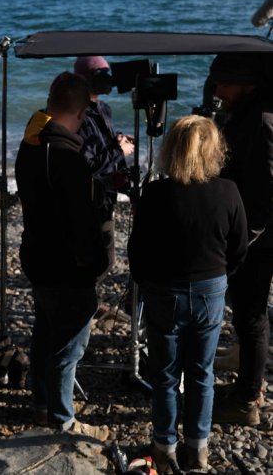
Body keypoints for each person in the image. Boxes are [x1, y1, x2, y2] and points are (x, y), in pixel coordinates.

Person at [127, 115, 248, 473]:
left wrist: (146, 283)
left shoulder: (155, 193)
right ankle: (197, 448)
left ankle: (164, 447)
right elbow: (239, 248)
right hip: (211, 288)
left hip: (165, 289)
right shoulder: (228, 191)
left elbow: (139, 251)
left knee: (164, 373)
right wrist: (221, 278)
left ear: (171, 150)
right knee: (201, 372)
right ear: (214, 151)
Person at [15, 71, 110, 440]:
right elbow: (81, 222)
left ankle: (42, 403)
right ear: (83, 112)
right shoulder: (68, 158)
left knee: (45, 332)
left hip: (39, 256)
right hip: (67, 265)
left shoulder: (33, 139)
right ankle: (62, 420)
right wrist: (96, 264)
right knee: (68, 347)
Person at [205, 53, 273, 426]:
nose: (218, 90)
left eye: (225, 83)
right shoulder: (248, 114)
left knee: (251, 316)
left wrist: (242, 242)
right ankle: (248, 386)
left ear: (248, 82)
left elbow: (266, 193)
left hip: (259, 240)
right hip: (252, 235)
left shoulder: (261, 121)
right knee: (249, 314)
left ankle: (249, 398)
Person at [74, 56, 135, 270]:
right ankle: (86, 300)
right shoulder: (78, 114)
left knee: (105, 256)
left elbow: (99, 142)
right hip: (91, 198)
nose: (106, 80)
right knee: (99, 261)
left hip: (108, 193)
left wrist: (117, 139)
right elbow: (88, 166)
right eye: (100, 75)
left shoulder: (103, 108)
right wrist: (119, 151)